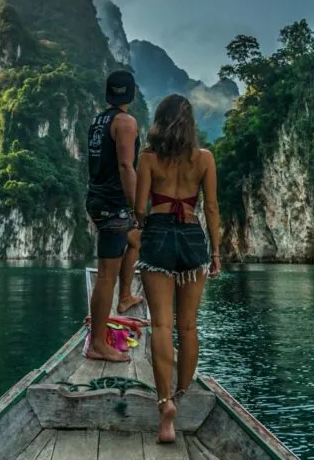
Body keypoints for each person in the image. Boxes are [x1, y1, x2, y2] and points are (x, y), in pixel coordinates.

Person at [133, 93, 221, 444]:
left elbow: (140, 209)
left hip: (157, 237)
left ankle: (165, 404)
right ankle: (183, 394)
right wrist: (216, 252)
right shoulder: (204, 159)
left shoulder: (148, 159)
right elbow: (211, 208)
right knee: (187, 325)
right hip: (192, 238)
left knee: (161, 325)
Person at [84, 69, 145, 362]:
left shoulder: (98, 120)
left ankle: (125, 297)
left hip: (98, 198)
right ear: (131, 94)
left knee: (134, 241)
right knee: (105, 276)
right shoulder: (126, 122)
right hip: (113, 204)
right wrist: (137, 207)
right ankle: (97, 343)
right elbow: (126, 166)